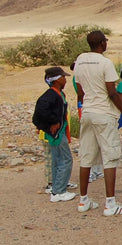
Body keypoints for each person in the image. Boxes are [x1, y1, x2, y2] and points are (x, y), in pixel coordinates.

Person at [73, 30, 122, 216]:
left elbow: (80, 88)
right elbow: (112, 92)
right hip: (104, 113)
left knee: (86, 156)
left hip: (87, 111)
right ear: (102, 43)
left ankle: (83, 200)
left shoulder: (80, 60)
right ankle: (110, 203)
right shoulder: (105, 63)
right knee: (110, 156)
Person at [32, 66, 76, 202]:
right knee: (66, 159)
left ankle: (57, 186)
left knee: (57, 159)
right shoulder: (50, 96)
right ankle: (59, 191)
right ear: (56, 80)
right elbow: (38, 115)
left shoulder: (58, 94)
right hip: (56, 133)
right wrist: (51, 123)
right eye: (63, 78)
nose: (65, 80)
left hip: (59, 131)